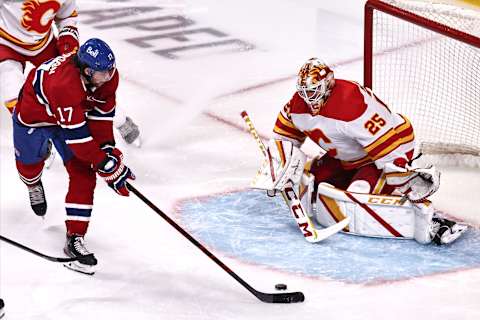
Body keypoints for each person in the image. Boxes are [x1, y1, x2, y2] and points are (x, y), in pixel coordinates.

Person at [257, 57, 467, 245]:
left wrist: (402, 179)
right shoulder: (297, 106)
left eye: (313, 91)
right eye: (304, 92)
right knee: (307, 181)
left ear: (328, 83)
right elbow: (284, 141)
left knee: (357, 194)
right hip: (346, 158)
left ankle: (432, 224)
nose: (308, 97)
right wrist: (280, 168)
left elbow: (388, 149)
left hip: (387, 151)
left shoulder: (352, 104)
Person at [13, 38, 135, 274]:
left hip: (71, 118)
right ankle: (33, 183)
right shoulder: (64, 85)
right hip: (35, 119)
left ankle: (75, 237)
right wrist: (105, 164)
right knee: (29, 166)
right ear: (87, 71)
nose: (110, 76)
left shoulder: (107, 78)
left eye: (111, 70)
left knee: (84, 175)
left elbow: (100, 119)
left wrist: (108, 151)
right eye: (104, 73)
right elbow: (80, 142)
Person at [0, 0, 141, 146]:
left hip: (43, 44)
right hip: (5, 44)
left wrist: (68, 42)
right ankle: (37, 135)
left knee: (82, 82)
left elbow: (67, 15)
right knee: (12, 88)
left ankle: (119, 119)